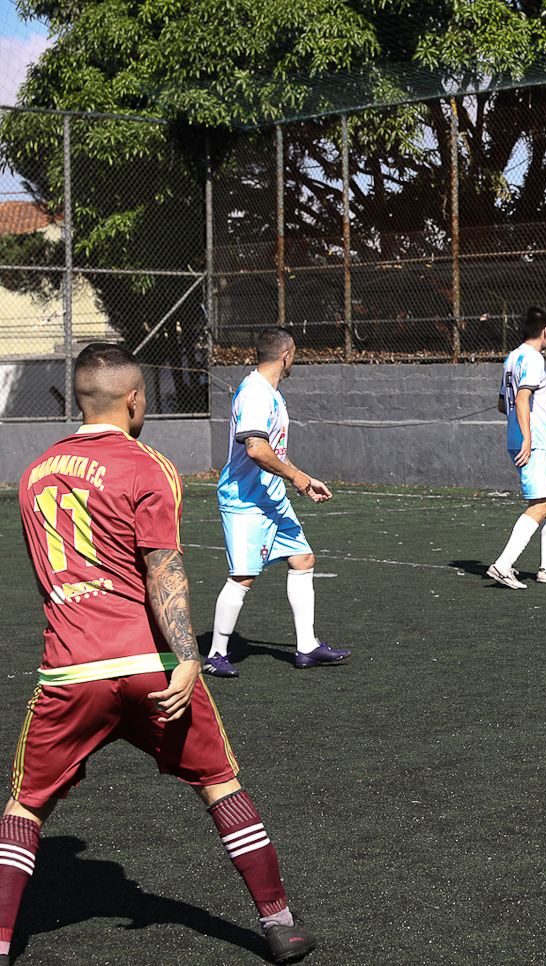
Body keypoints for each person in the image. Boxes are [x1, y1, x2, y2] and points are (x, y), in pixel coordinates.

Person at [5, 343, 317, 964]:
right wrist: (188, 656)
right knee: (220, 784)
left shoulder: (34, 473)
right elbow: (162, 568)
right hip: (149, 668)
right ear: (135, 398)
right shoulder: (149, 465)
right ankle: (280, 926)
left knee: (26, 804)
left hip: (70, 670)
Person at [206, 328, 349, 676]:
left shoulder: (269, 391)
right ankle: (215, 655)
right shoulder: (255, 393)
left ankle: (307, 647)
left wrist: (295, 478)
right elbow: (255, 448)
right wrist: (299, 477)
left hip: (271, 497)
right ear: (286, 355)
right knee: (242, 577)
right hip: (246, 501)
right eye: (295, 353)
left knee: (303, 559)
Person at [487, 306, 546, 589]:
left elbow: (504, 404)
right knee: (541, 504)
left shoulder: (512, 358)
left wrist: (544, 419)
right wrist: (529, 436)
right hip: (531, 443)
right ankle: (503, 565)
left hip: (530, 436)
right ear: (545, 331)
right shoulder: (534, 358)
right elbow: (522, 398)